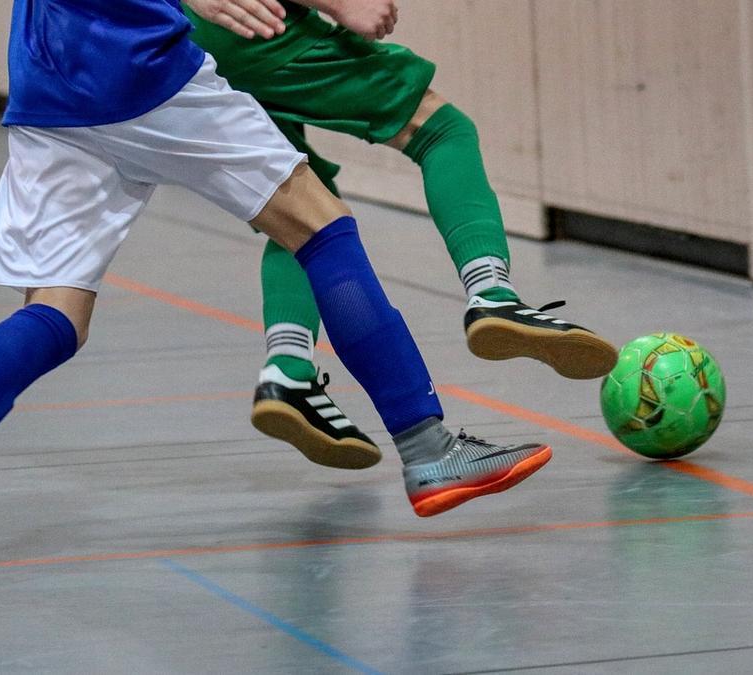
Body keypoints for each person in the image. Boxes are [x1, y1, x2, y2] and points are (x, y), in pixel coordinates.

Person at [0, 0, 551, 589]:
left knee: (56, 312)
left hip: (47, 79)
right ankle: (427, 447)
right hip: (139, 68)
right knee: (321, 225)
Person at [182, 0, 619, 471]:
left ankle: (288, 370)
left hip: (188, 36)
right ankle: (492, 292)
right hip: (253, 22)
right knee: (440, 129)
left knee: (299, 206)